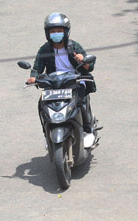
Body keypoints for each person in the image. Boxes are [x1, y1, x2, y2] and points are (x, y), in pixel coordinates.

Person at [26, 12, 97, 147]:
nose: (56, 33)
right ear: (47, 33)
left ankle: (88, 131)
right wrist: (33, 77)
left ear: (66, 32)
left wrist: (82, 60)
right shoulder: (45, 49)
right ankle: (47, 134)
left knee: (80, 103)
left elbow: (89, 66)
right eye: (53, 31)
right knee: (42, 105)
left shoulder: (74, 46)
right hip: (54, 83)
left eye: (59, 31)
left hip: (75, 81)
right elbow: (37, 67)